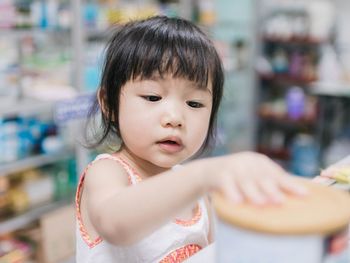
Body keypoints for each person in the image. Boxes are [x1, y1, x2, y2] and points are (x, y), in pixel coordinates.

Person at [75, 16, 307, 263]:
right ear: (109, 103)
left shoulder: (198, 198)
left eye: (194, 103)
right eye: (153, 97)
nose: (175, 118)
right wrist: (202, 175)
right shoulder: (108, 172)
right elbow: (115, 225)